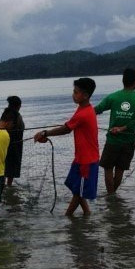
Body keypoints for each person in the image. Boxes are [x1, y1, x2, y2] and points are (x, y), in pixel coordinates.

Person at [34, 77, 100, 217]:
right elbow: (69, 126)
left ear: (85, 95)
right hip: (80, 158)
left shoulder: (84, 113)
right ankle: (87, 213)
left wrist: (45, 133)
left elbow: (66, 129)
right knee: (74, 186)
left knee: (78, 192)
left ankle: (68, 216)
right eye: (73, 91)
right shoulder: (83, 109)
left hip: (87, 160)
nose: (73, 94)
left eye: (76, 92)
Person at [94, 68, 135, 196]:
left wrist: (80, 115)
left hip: (113, 141)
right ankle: (112, 196)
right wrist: (124, 128)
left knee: (108, 169)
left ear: (123, 80)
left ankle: (110, 196)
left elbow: (97, 109)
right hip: (129, 141)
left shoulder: (113, 96)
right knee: (120, 170)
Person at [3, 95, 25, 186]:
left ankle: (5, 187)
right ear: (18, 105)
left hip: (9, 145)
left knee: (4, 169)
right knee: (10, 171)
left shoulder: (8, 114)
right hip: (13, 146)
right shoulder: (14, 115)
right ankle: (8, 187)